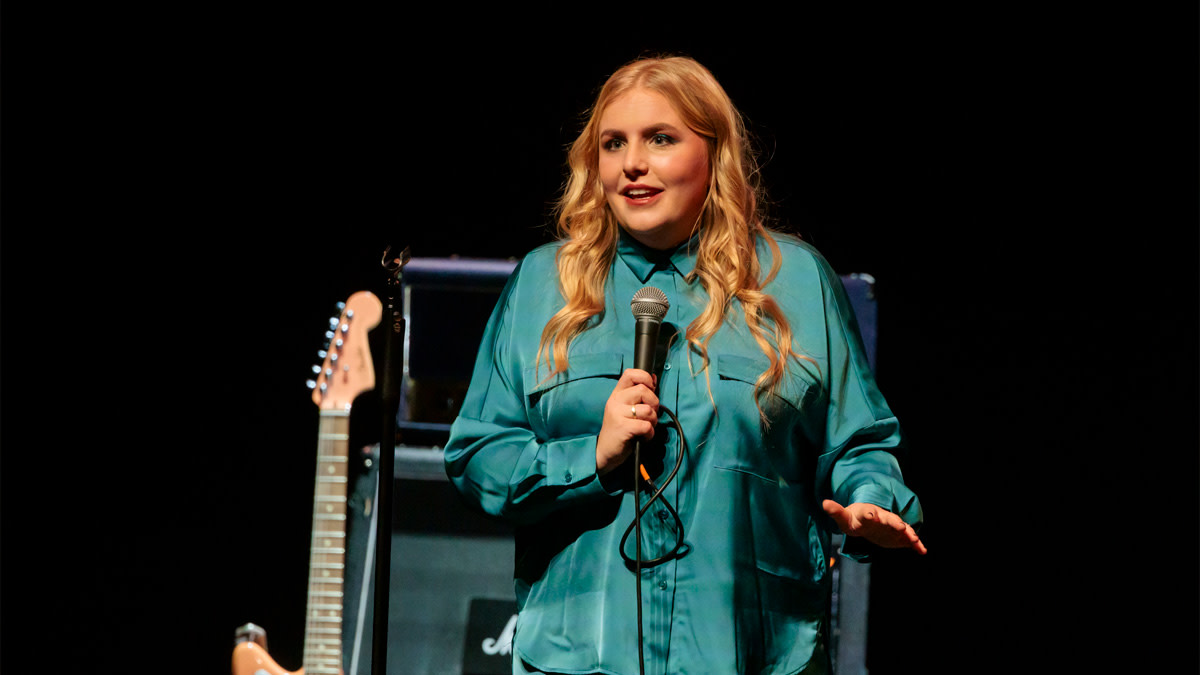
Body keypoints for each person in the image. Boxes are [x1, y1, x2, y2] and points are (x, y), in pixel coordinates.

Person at [443, 55, 924, 675]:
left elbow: (859, 440)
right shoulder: (545, 284)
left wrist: (870, 498)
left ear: (713, 155)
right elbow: (477, 452)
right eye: (613, 144)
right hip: (577, 658)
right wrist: (590, 457)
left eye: (660, 139)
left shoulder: (795, 281)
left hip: (750, 654)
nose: (632, 163)